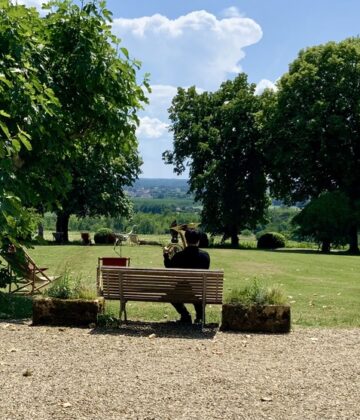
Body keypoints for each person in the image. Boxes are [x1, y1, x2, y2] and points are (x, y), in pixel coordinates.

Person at [163, 228, 210, 324]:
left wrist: (166, 255)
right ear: (198, 240)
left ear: (186, 239)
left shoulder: (178, 256)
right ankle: (200, 317)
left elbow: (169, 267)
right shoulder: (206, 256)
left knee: (170, 293)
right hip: (199, 291)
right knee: (197, 290)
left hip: (181, 291)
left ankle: (185, 315)